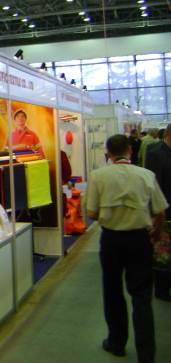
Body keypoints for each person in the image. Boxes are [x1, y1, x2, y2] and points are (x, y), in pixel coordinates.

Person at [84, 134, 167, 363]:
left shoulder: (98, 176)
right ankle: (146, 354)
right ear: (130, 150)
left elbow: (91, 214)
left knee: (113, 292)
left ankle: (117, 343)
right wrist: (157, 230)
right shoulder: (146, 175)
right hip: (140, 240)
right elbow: (160, 212)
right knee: (141, 296)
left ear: (108, 154)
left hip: (111, 241)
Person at [144, 123, 171, 301]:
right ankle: (162, 290)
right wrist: (155, 215)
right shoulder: (156, 154)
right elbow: (154, 187)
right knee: (163, 254)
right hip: (165, 213)